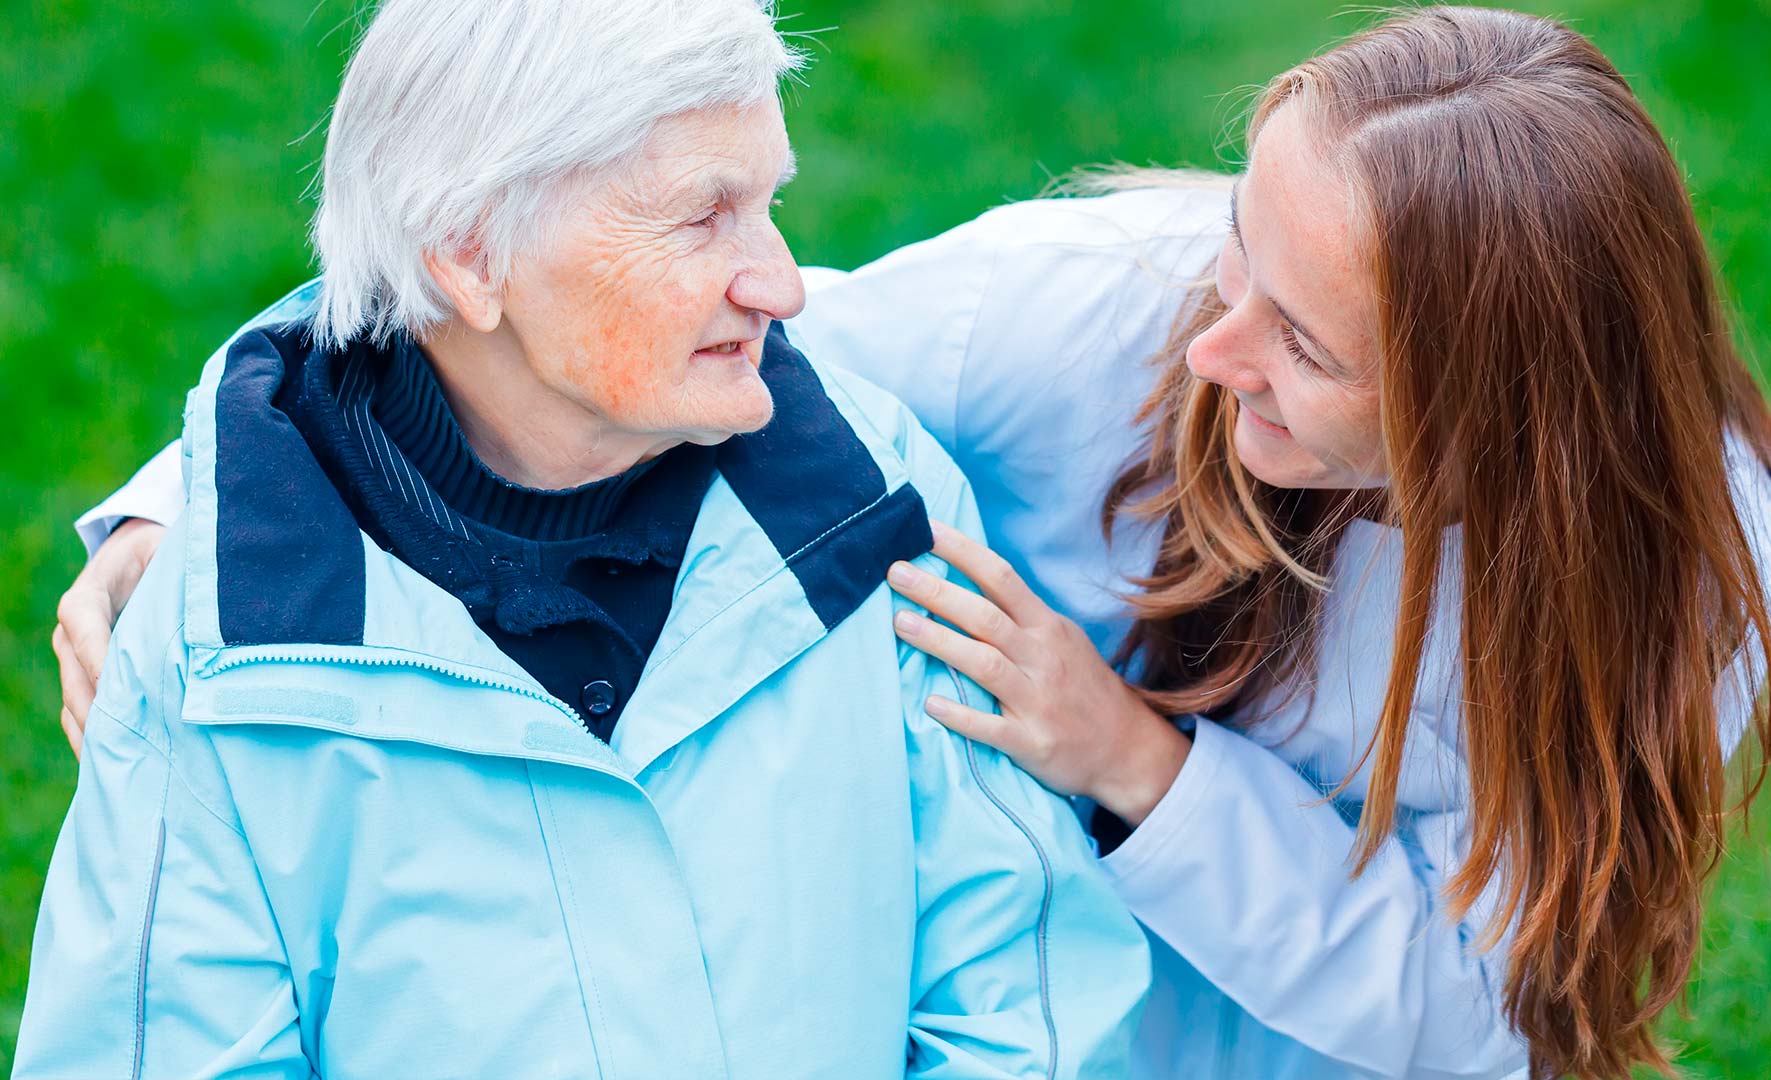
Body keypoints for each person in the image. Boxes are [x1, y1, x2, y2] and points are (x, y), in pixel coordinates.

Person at [53, 7, 1771, 1080]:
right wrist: (186, 507)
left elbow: (1484, 1007)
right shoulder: (1089, 314)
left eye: (1308, 346)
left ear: (1503, 413)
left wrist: (1136, 763)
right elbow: (562, 333)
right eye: (1235, 254)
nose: (1211, 344)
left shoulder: (1683, 574)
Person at [16, 1, 1151, 1077]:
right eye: (705, 216)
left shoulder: (882, 503)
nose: (784, 282)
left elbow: (1028, 1000)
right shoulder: (221, 656)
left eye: (769, 204)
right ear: (469, 255)